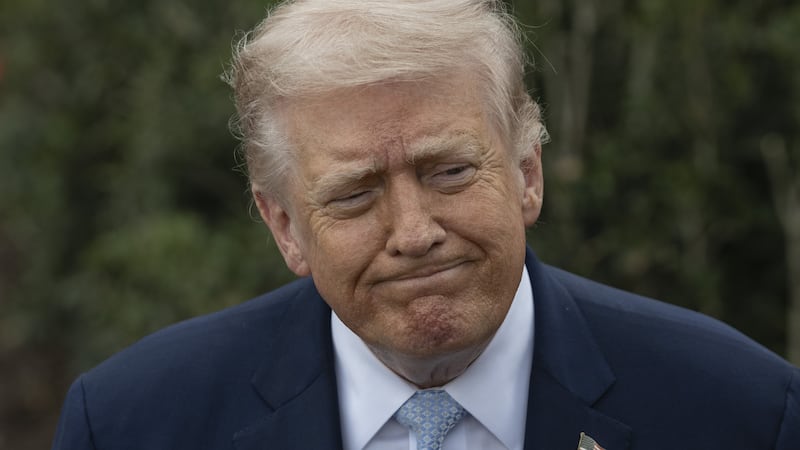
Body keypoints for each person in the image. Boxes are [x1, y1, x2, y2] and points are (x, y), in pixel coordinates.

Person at [52, 0, 799, 449]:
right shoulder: (132, 424)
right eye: (354, 195)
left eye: (448, 171)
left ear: (527, 174)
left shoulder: (741, 412)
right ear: (284, 227)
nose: (413, 231)